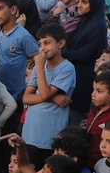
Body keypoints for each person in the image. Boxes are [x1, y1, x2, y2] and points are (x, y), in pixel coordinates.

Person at [22, 24, 75, 158]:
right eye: (40, 44)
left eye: (47, 43)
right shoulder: (39, 67)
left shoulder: (67, 68)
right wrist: (54, 98)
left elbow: (44, 94)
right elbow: (26, 98)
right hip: (30, 132)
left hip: (49, 136)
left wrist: (39, 67)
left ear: (61, 43)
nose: (42, 48)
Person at [62, 0, 109, 118]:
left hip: (84, 78)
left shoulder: (99, 25)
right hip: (75, 74)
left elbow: (85, 53)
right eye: (79, 2)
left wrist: (60, 55)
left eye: (84, 2)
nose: (79, 6)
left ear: (94, 4)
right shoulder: (84, 21)